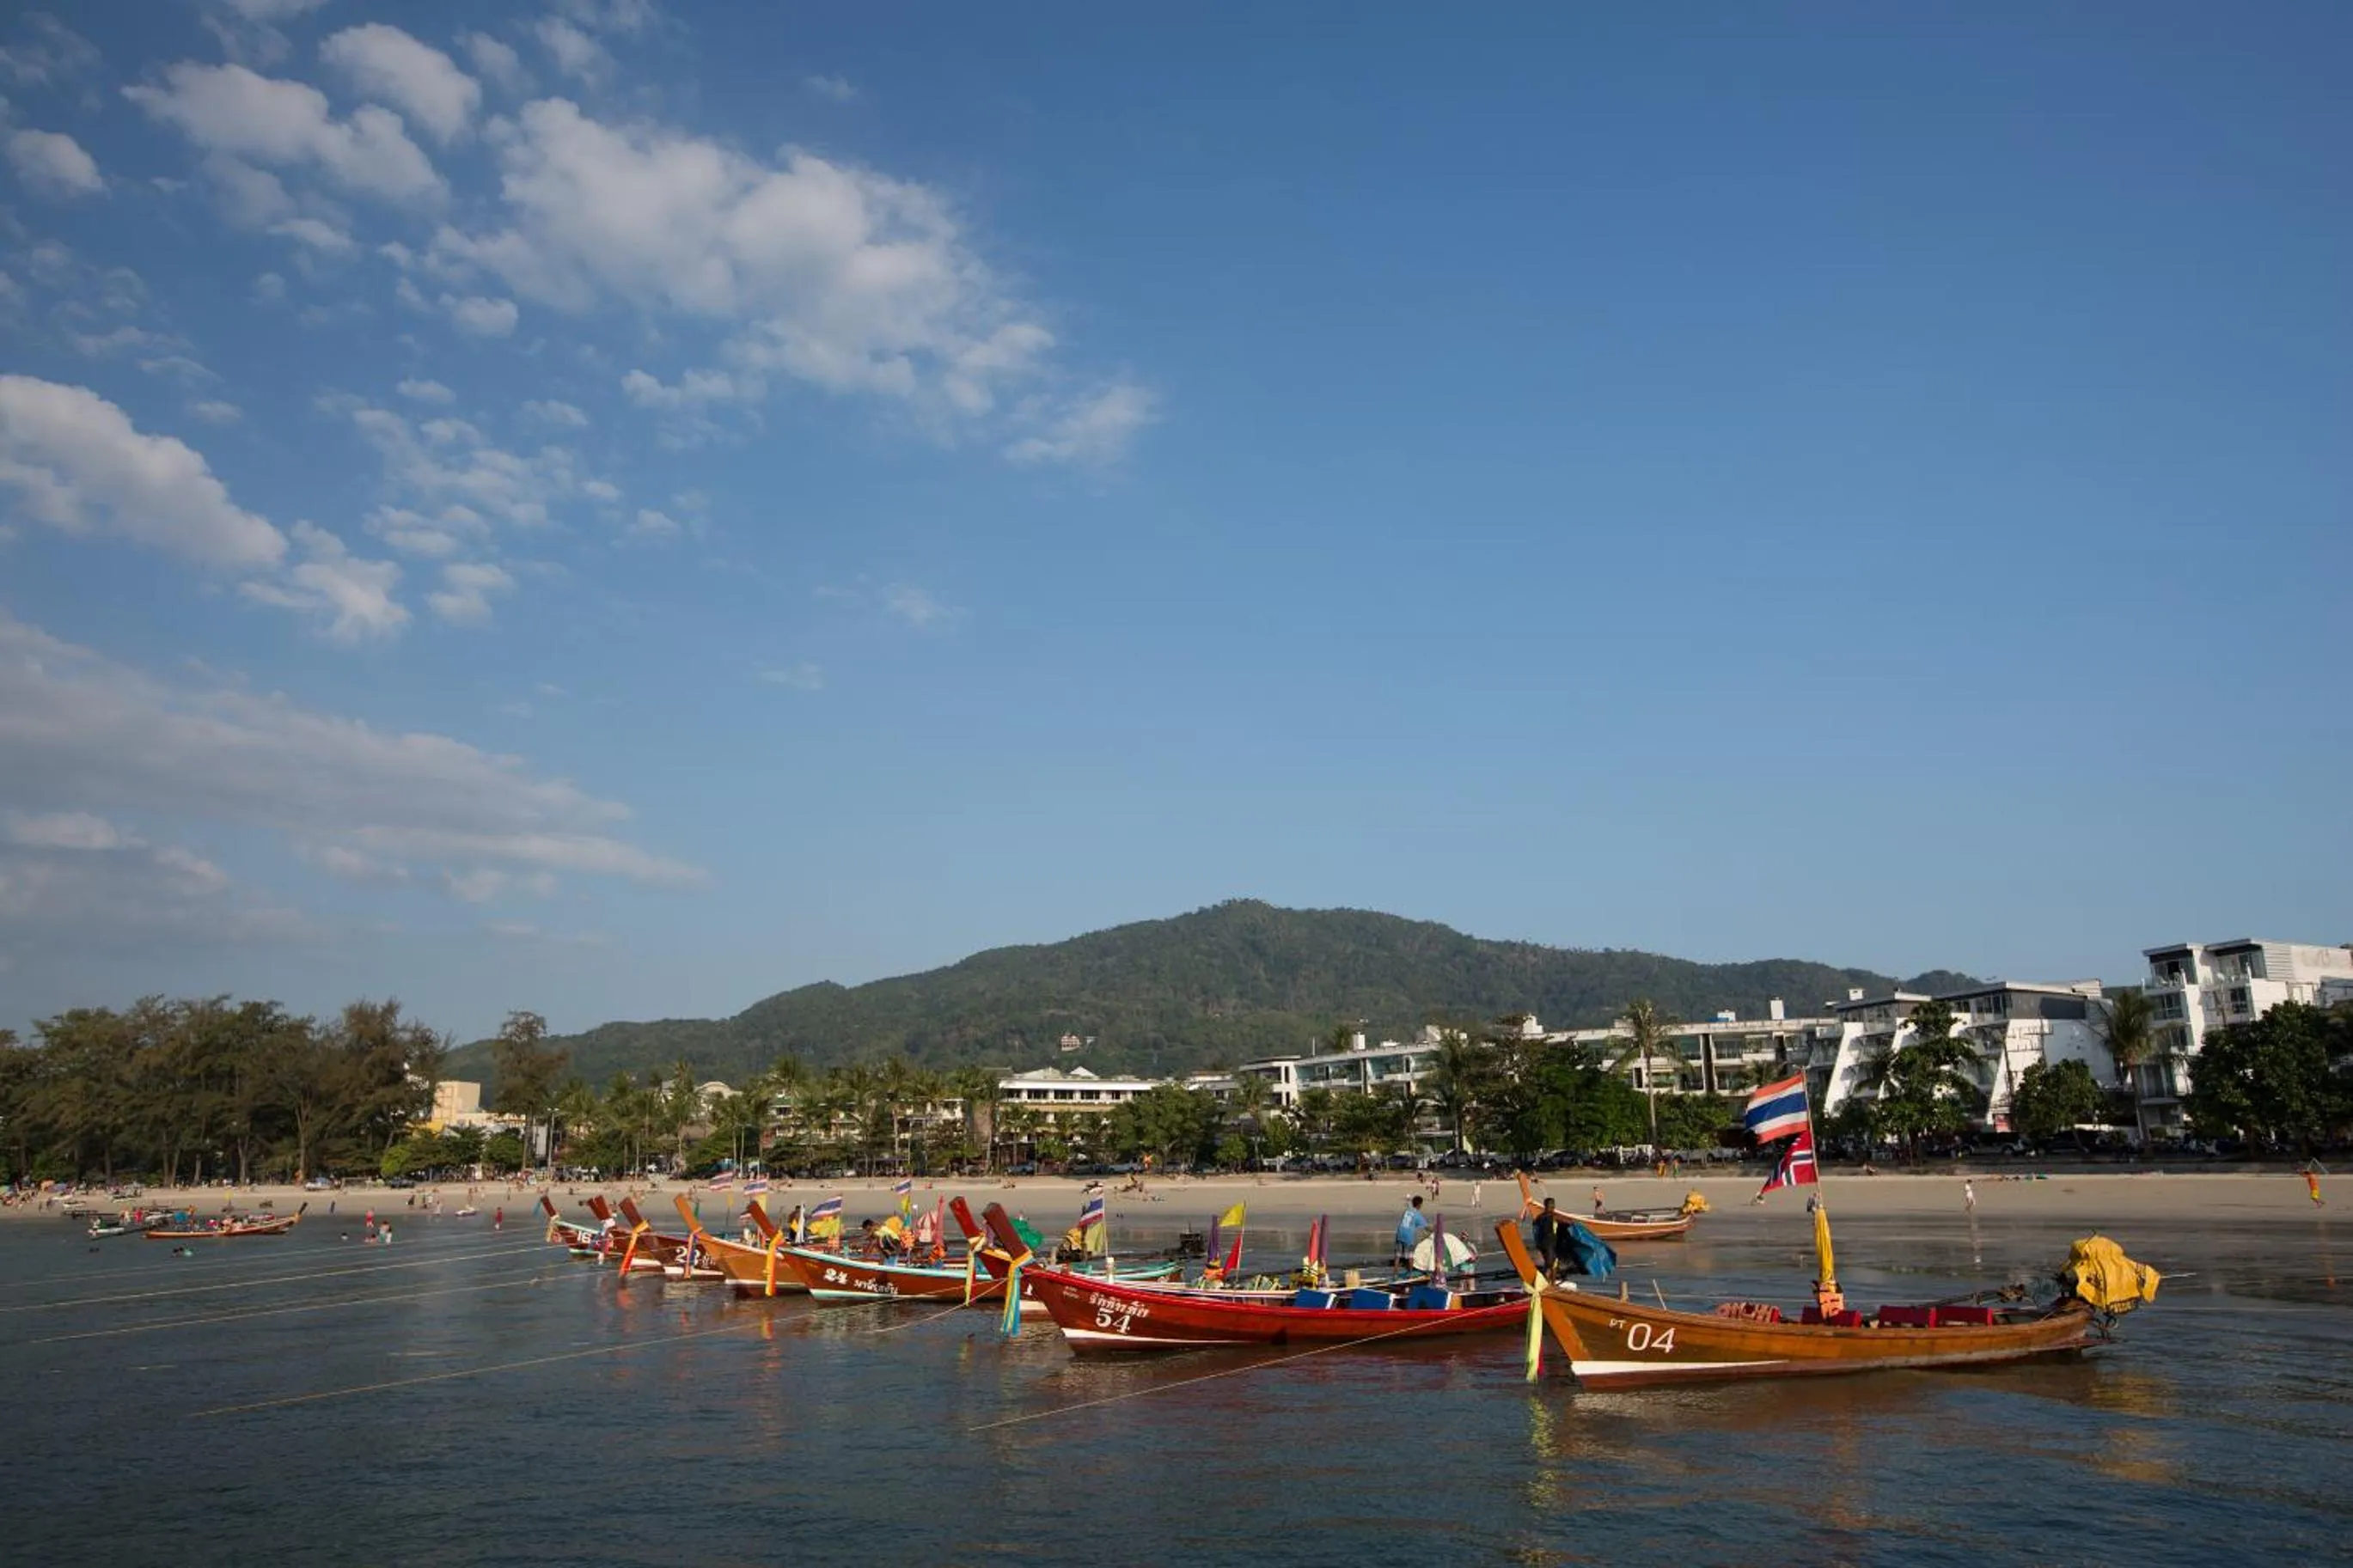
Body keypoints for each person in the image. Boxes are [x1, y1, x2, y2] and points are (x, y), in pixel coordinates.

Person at [1394, 1194, 1431, 1267]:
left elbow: (1409, 1204)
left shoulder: (1408, 1210)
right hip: (1408, 1236)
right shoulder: (1418, 1215)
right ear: (1420, 1205)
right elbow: (1426, 1227)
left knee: (1398, 1256)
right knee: (1410, 1256)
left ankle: (1395, 1275)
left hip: (1399, 1233)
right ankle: (1410, 1275)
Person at [1531, 1196, 1563, 1279]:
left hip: (1541, 1243)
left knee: (1549, 1263)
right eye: (1553, 1205)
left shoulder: (1539, 1217)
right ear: (1552, 1206)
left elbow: (1535, 1229)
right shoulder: (1553, 1216)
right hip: (1550, 1243)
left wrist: (1537, 1243)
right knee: (1551, 1264)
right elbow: (1567, 1221)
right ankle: (1551, 1284)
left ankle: (1550, 1283)